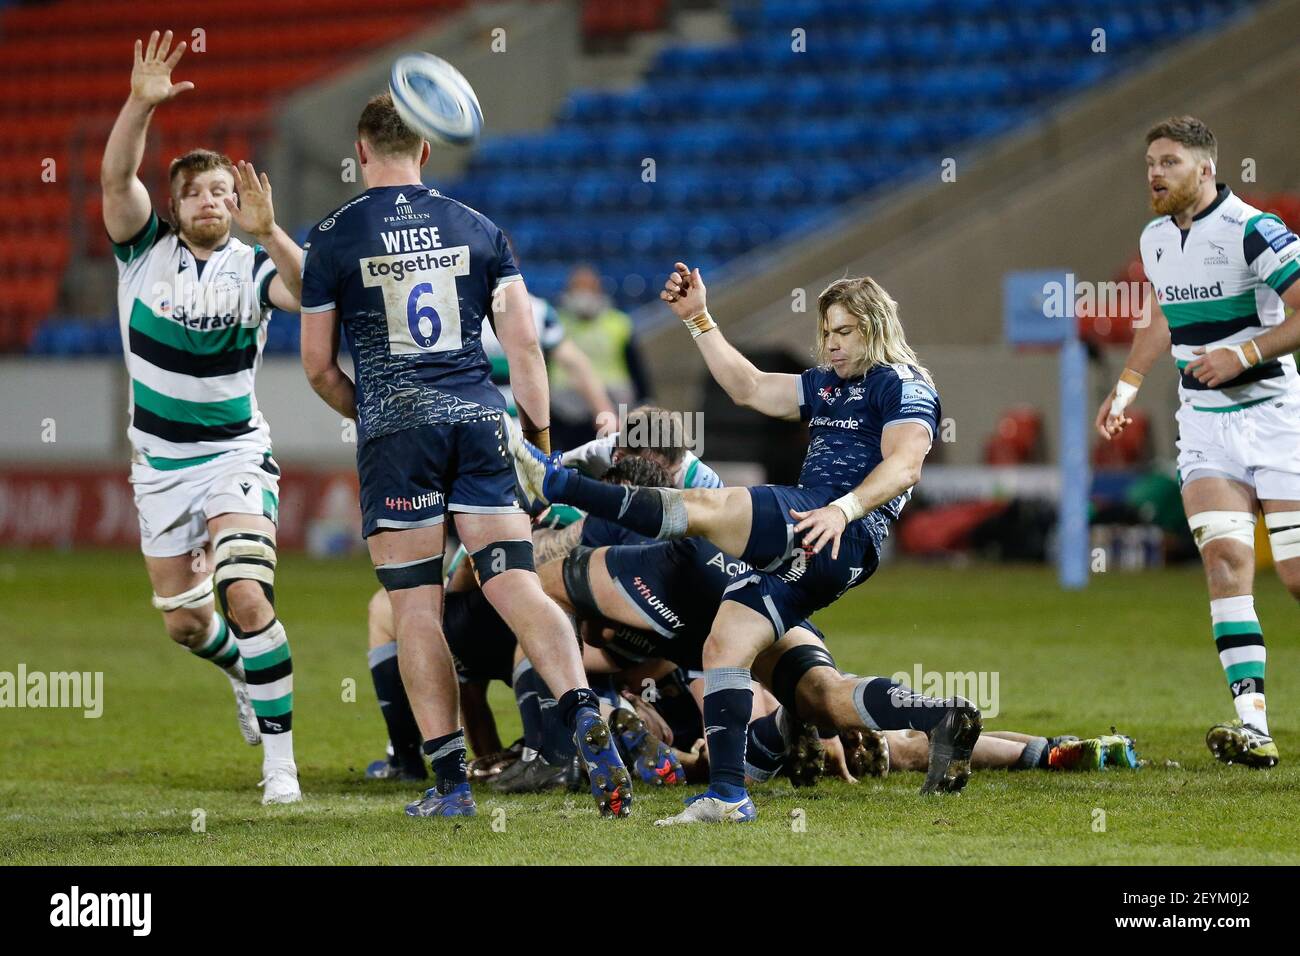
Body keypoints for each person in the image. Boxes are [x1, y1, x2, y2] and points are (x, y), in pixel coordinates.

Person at [512, 263, 982, 824]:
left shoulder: (903, 383)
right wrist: (699, 320)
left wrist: (843, 508)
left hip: (835, 522)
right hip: (820, 535)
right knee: (727, 645)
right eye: (826, 333)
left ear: (875, 326)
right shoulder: (830, 382)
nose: (831, 344)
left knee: (708, 510)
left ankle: (556, 481)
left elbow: (905, 466)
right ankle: (737, 794)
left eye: (844, 332)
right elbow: (750, 387)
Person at [298, 93, 631, 818]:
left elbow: (319, 367)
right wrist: (539, 452)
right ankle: (583, 713)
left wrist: (378, 412)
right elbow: (525, 353)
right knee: (516, 586)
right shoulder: (479, 229)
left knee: (414, 609)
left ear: (360, 154)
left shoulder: (330, 237)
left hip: (397, 435)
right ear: (425, 150)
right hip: (482, 422)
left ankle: (450, 785)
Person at [101, 31, 305, 804]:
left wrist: (273, 233)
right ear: (176, 205)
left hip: (233, 458)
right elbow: (117, 174)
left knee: (246, 595)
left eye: (225, 190)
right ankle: (242, 675)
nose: (214, 201)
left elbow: (311, 293)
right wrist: (140, 104)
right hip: (158, 464)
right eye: (198, 193)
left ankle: (280, 769)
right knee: (186, 626)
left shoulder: (254, 264)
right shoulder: (139, 253)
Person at [1097, 116, 1300, 769]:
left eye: (1169, 162)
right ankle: (1254, 726)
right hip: (1207, 429)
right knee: (1224, 565)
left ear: (1206, 169)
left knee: (1296, 579)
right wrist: (1126, 387)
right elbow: (1162, 315)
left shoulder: (1253, 229)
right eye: (1151, 162)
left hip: (1276, 421)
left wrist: (1243, 353)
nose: (1154, 173)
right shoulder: (1156, 238)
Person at [551, 265, 652, 448]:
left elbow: (635, 366)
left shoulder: (618, 323)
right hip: (566, 411)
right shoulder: (556, 322)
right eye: (578, 288)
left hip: (614, 406)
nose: (584, 294)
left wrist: (645, 399)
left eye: (588, 288)